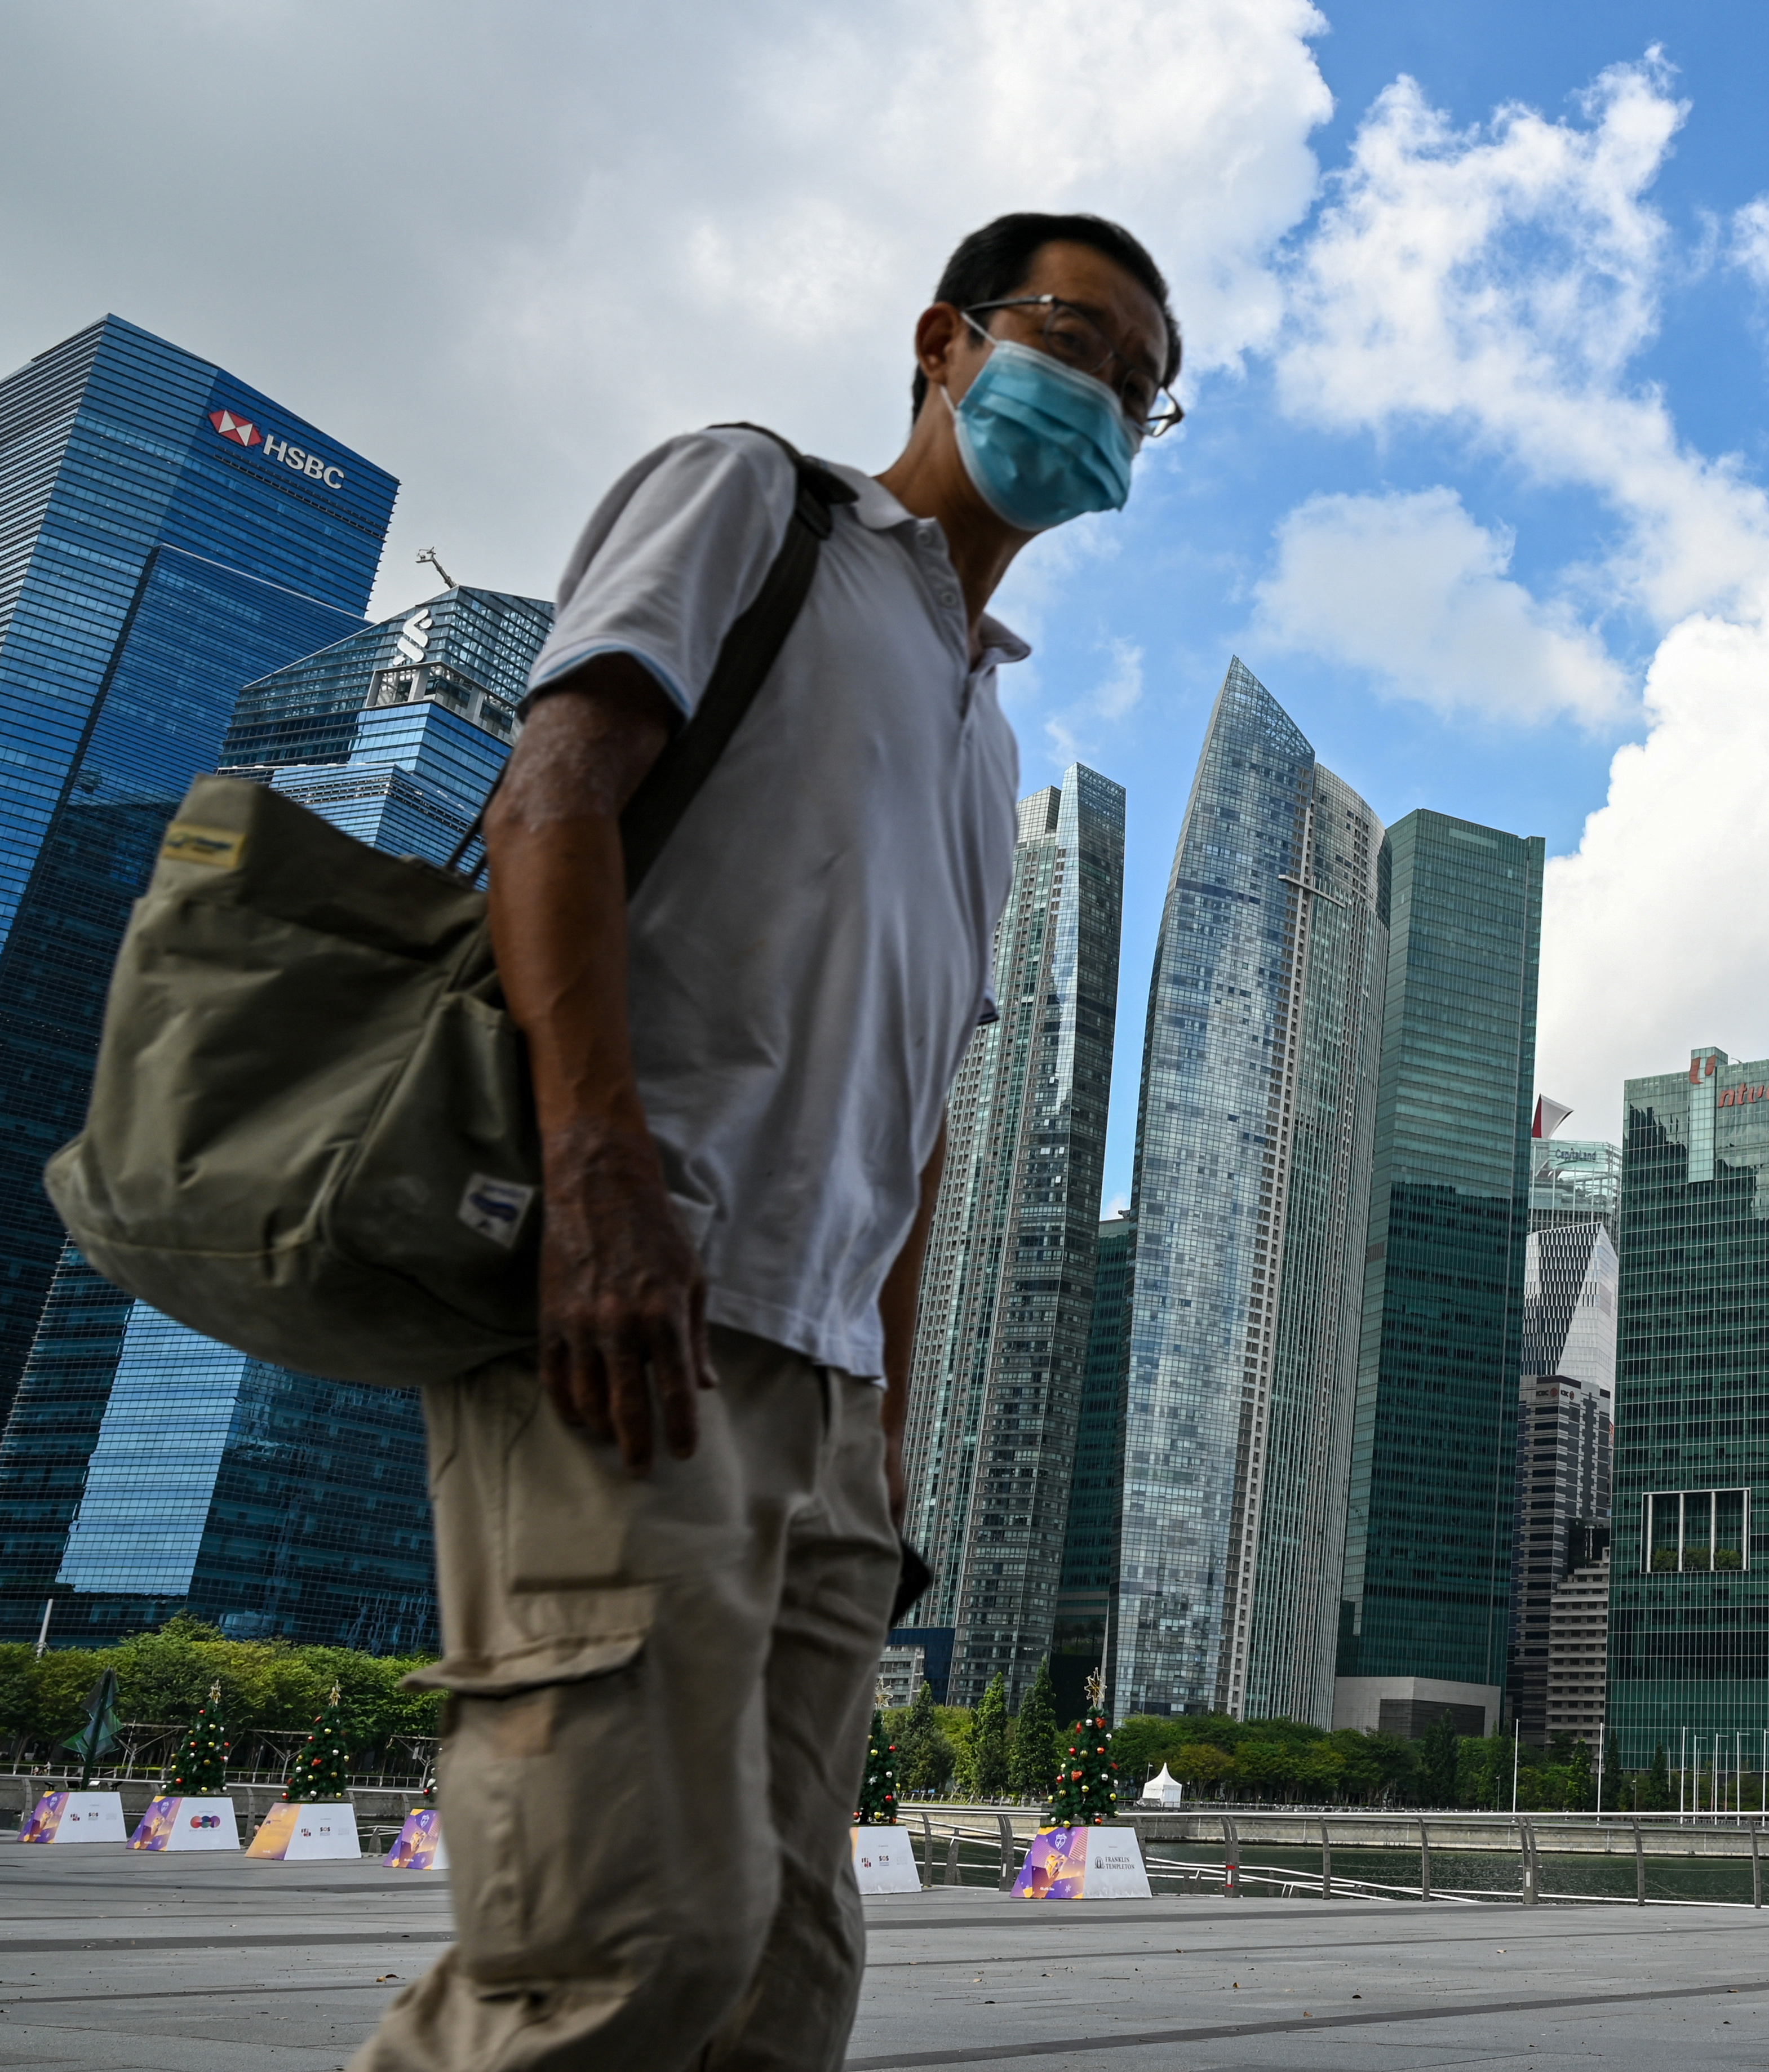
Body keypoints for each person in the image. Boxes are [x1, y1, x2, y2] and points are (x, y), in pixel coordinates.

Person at [352, 212, 1182, 2072]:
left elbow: (925, 1104)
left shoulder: (989, 733)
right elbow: (550, 797)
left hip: (829, 1409)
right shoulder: (759, 505)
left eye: (1142, 392)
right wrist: (598, 1174)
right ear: (945, 340)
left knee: (783, 1981)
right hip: (642, 1305)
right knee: (618, 1948)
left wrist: (887, 1417)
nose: (1104, 401)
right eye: (1076, 343)